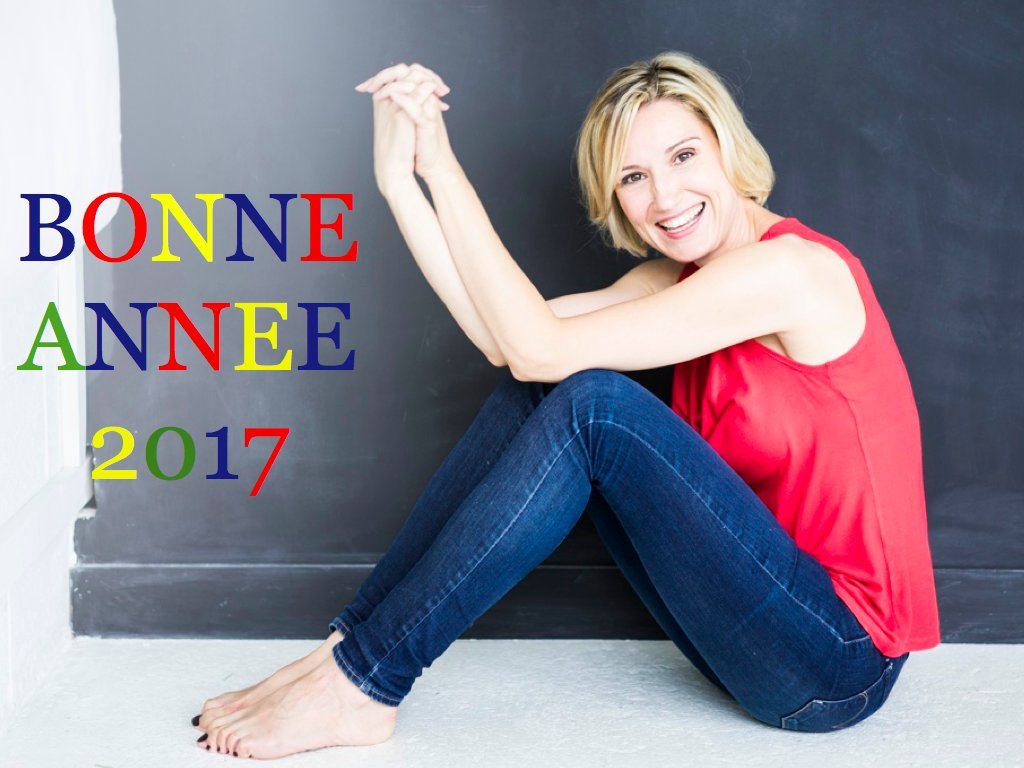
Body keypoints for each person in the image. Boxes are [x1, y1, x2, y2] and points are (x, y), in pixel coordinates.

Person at [192, 52, 940, 759]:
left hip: (839, 663)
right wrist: (399, 180)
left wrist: (443, 166)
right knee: (547, 385)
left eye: (684, 156)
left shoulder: (788, 272)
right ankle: (349, 652)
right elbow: (507, 341)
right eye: (634, 177)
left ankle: (366, 680)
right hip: (756, 632)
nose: (665, 198)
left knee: (593, 405)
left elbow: (539, 346)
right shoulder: (678, 276)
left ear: (727, 149)